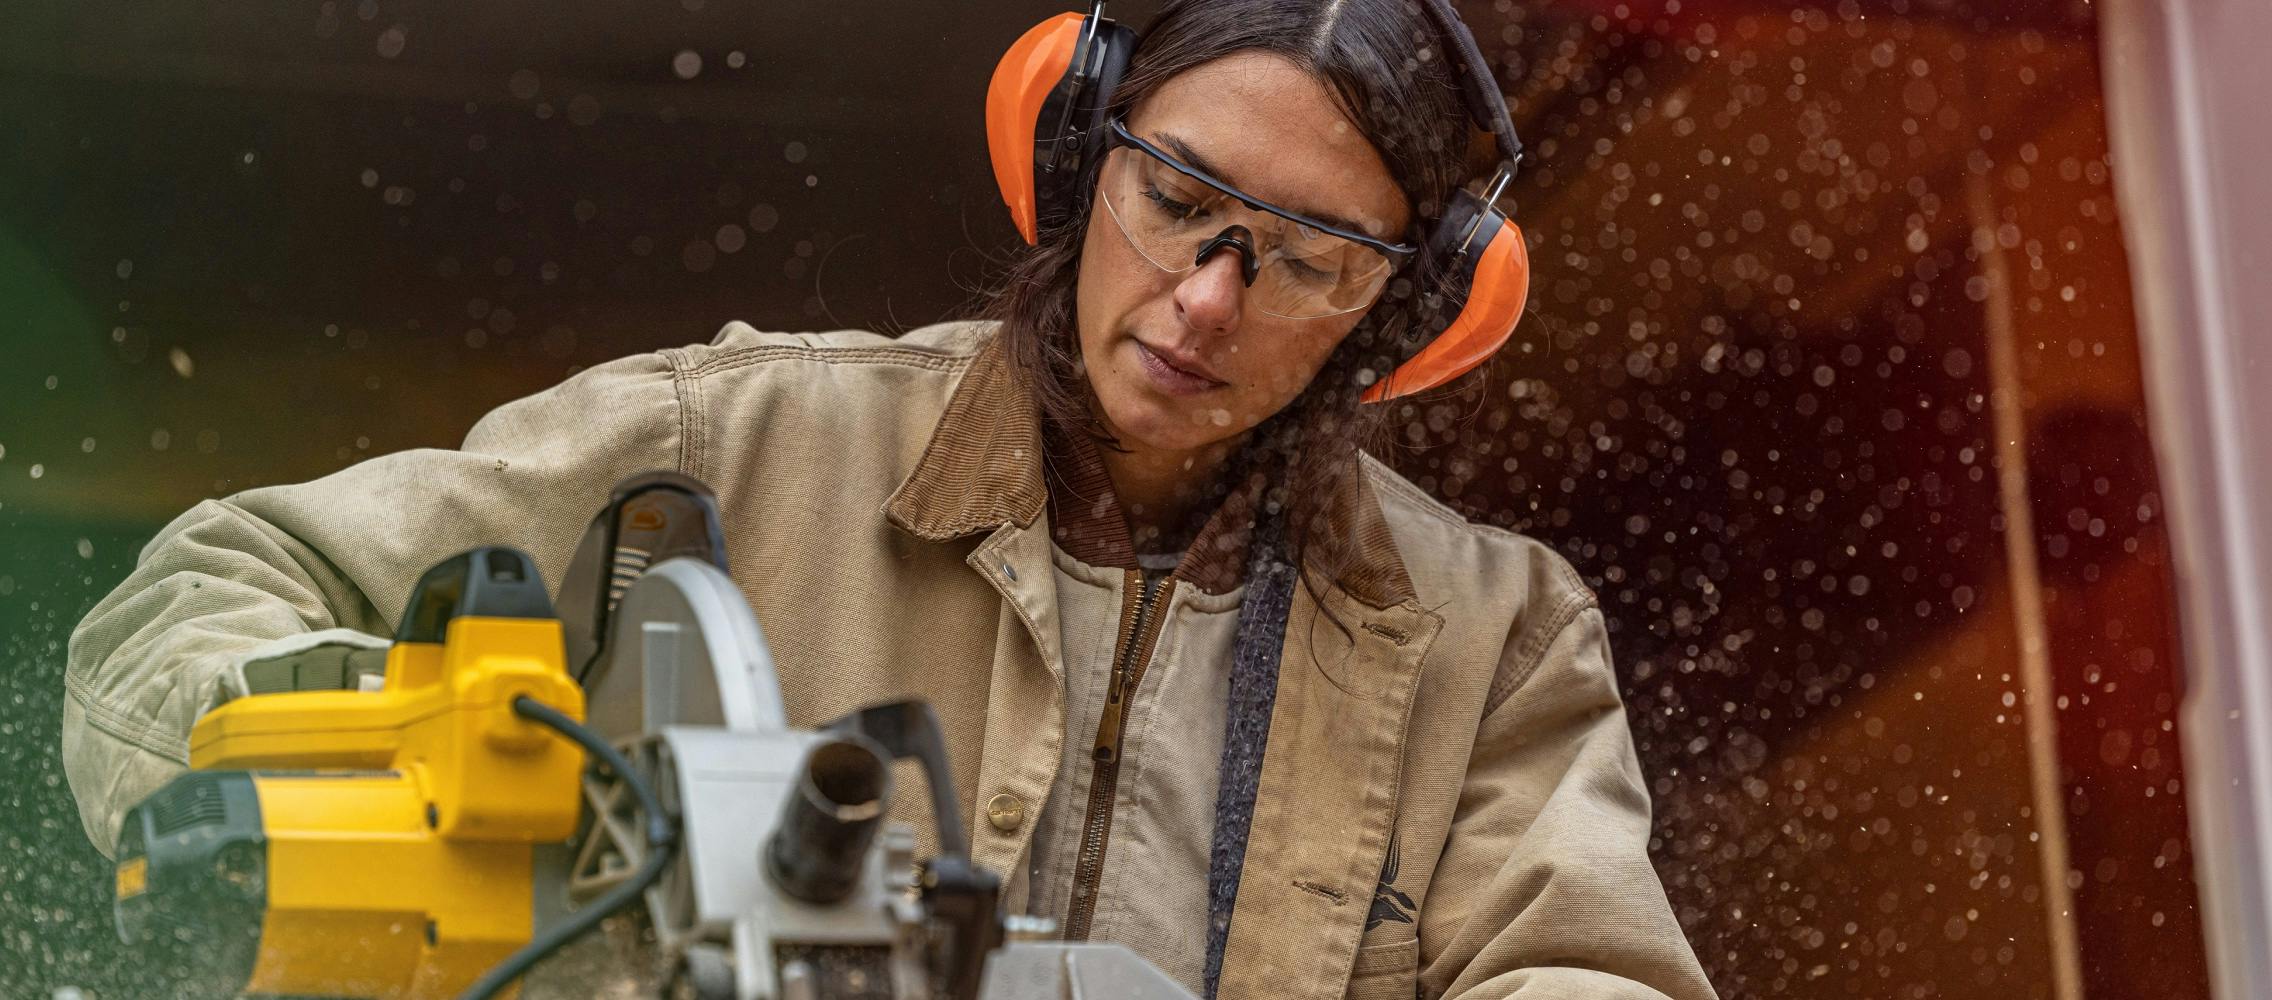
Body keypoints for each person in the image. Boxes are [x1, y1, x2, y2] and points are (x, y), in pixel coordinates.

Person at [62, 1, 1715, 998]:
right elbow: (212, 587)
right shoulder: (740, 439)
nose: (1207, 299)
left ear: (1402, 315)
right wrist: (462, 769)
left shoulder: (1491, 642)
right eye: (1178, 199)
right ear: (1081, 161)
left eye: (1303, 260)